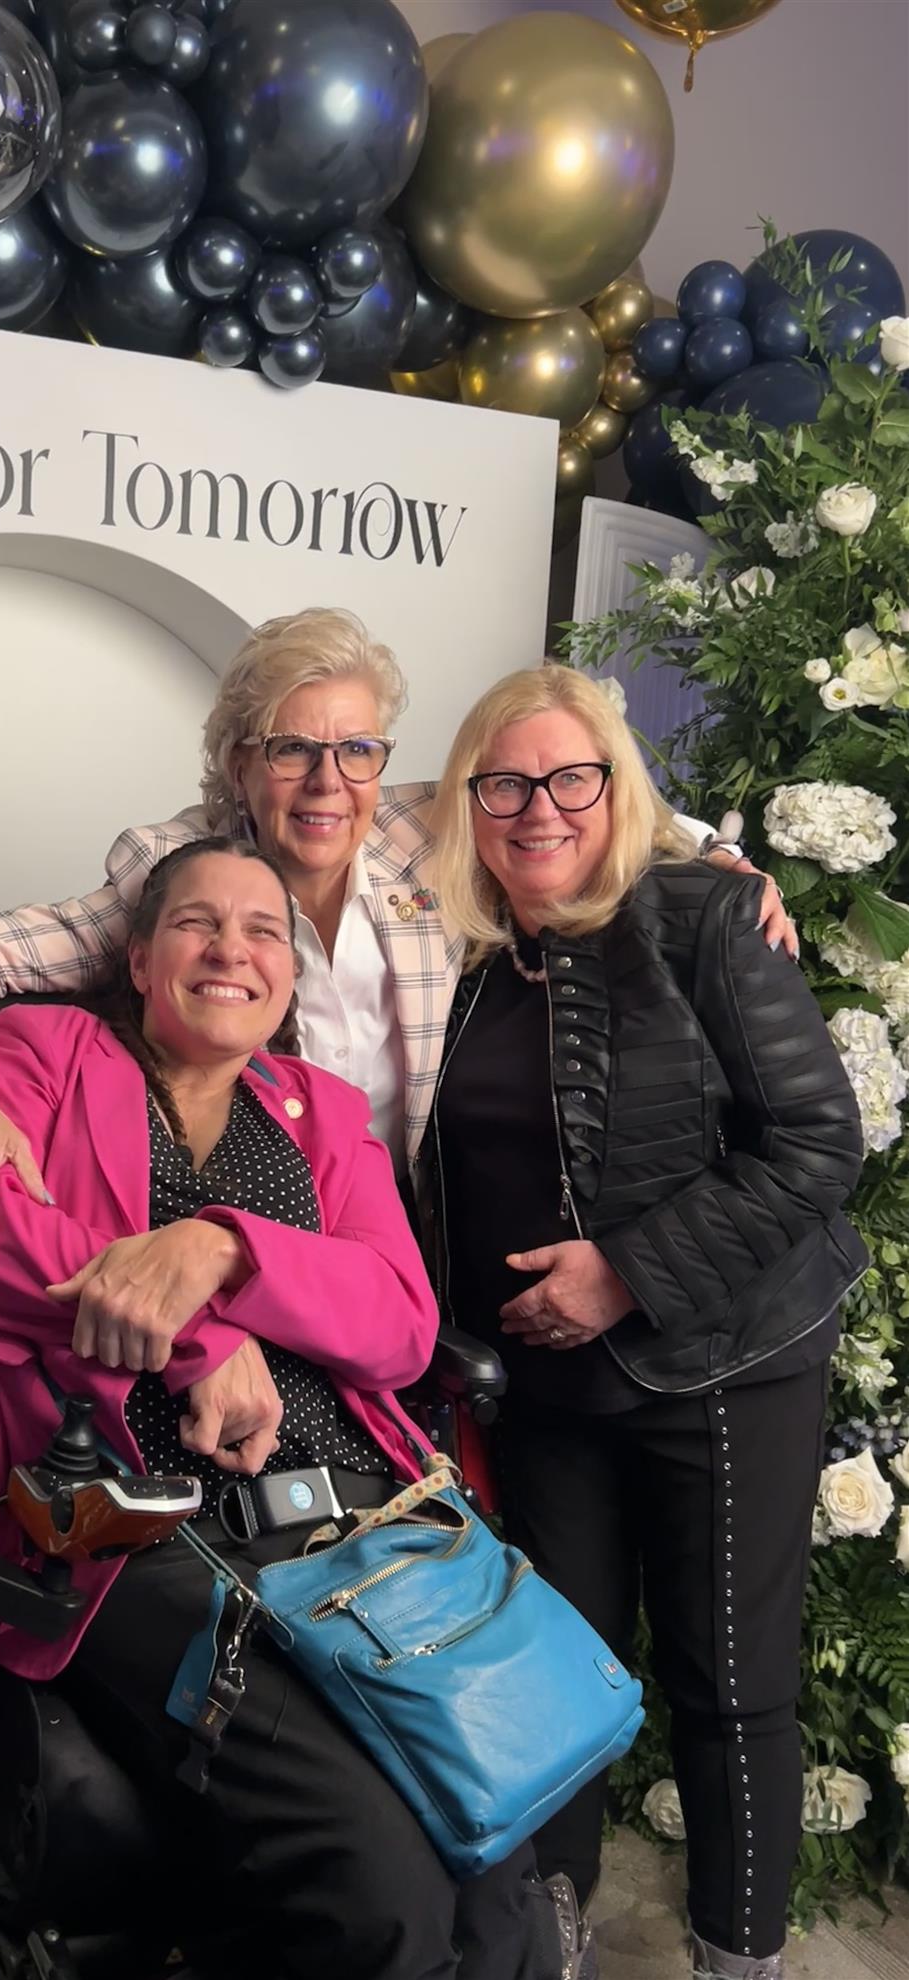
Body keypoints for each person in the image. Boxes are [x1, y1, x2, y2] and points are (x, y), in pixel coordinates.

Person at [0, 835, 577, 1980]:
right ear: (138, 961)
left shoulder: (321, 1109)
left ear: (287, 975)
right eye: (197, 924)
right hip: (145, 1528)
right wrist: (199, 1342)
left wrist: (223, 1249)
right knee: (381, 1886)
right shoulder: (45, 1053)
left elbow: (400, 1320)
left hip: (361, 1521)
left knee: (497, 1873)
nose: (232, 949)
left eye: (263, 930)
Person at [0, 609, 791, 1277]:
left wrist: (717, 859)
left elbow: (573, 804)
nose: (327, 782)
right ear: (239, 765)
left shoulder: (420, 833)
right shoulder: (179, 875)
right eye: (290, 750)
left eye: (357, 750)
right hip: (237, 1232)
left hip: (415, 1243)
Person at [424, 667, 867, 1980]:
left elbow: (816, 1142)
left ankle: (740, 1962)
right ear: (468, 803)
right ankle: (545, 1951)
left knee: (729, 1687)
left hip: (724, 1365)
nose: (539, 808)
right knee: (554, 1691)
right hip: (546, 1393)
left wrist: (624, 1274)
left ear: (621, 790)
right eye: (505, 783)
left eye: (574, 777)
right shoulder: (464, 961)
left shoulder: (706, 919)